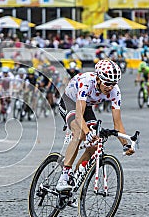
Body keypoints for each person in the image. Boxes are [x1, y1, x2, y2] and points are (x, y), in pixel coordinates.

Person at [56, 59, 135, 193]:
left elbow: (118, 123)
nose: (110, 87)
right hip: (69, 103)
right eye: (107, 83)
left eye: (114, 83)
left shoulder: (115, 91)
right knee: (79, 133)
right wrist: (87, 132)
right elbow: (79, 116)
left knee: (96, 142)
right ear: (98, 78)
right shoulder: (86, 82)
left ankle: (73, 181)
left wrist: (125, 144)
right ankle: (64, 176)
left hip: (86, 107)